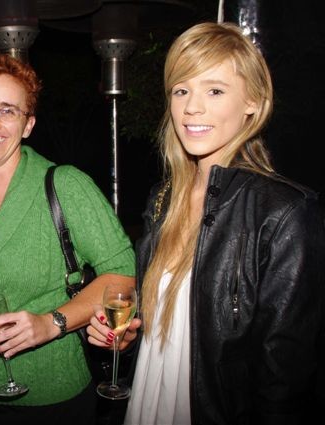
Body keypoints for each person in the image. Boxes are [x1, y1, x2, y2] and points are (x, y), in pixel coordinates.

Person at [87, 22, 325, 424]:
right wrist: (126, 339)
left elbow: (283, 385)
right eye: (181, 90)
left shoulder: (284, 214)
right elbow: (167, 327)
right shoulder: (164, 199)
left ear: (253, 102)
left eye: (214, 91)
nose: (191, 108)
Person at [0, 50, 135, 425]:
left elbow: (122, 272)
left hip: (55, 397)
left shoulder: (66, 184)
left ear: (28, 125)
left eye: (8, 110)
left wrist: (51, 323)